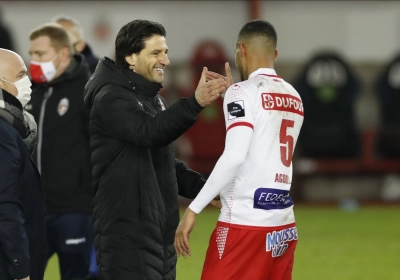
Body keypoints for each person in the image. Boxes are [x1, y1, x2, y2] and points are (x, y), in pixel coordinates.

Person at [83, 19, 226, 279]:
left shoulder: (152, 99)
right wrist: (194, 103)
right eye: (156, 53)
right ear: (130, 58)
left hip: (159, 238)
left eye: (166, 52)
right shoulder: (110, 98)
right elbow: (148, 133)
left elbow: (164, 163)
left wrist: (205, 190)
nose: (166, 61)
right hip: (128, 240)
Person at [175, 20, 304, 280]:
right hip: (283, 226)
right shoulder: (294, 96)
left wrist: (193, 209)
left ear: (240, 50)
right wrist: (234, 94)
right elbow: (265, 144)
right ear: (275, 54)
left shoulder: (241, 93)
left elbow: (235, 156)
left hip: (244, 225)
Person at [25, 23, 93, 280]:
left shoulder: (87, 92)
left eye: (40, 54)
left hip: (74, 209)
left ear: (63, 54)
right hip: (32, 209)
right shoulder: (29, 93)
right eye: (32, 54)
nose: (34, 61)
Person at [0, 48, 46, 280]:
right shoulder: (2, 132)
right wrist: (21, 270)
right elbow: (5, 205)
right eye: (20, 75)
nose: (27, 82)